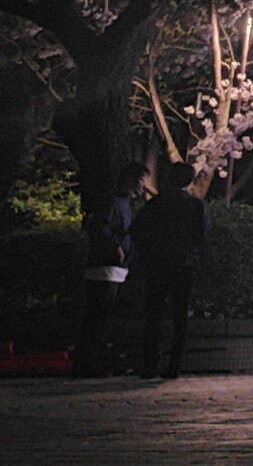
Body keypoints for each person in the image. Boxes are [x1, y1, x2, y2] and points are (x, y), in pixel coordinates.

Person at [130, 161, 209, 380]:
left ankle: (150, 365)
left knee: (153, 315)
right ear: (190, 181)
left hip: (157, 263)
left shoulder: (156, 204)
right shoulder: (195, 206)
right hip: (183, 264)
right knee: (180, 316)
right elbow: (201, 235)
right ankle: (174, 366)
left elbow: (136, 230)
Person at [73, 161, 148, 377]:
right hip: (106, 266)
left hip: (112, 267)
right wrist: (115, 247)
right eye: (141, 179)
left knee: (99, 317)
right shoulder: (115, 203)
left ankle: (87, 363)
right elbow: (99, 227)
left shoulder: (120, 203)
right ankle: (87, 364)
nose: (143, 184)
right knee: (98, 316)